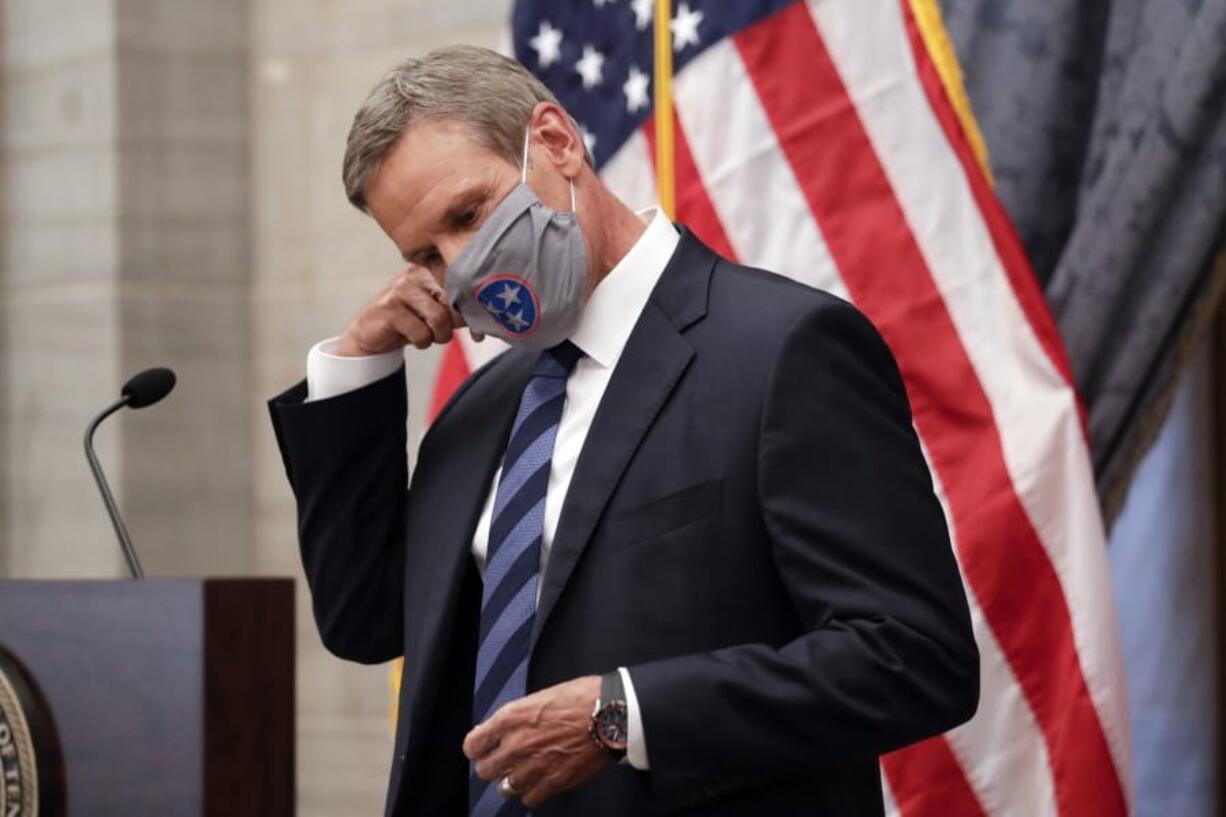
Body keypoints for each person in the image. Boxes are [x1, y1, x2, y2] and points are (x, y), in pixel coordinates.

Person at [268, 45, 979, 817]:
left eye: (468, 215)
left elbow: (913, 656)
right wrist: (356, 368)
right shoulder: (479, 409)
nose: (460, 267)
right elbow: (370, 621)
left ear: (556, 142)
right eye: (424, 255)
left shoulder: (783, 351)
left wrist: (625, 715)